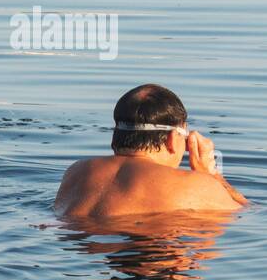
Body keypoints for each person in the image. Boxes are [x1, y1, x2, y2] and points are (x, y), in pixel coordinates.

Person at [54, 84, 247, 217]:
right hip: (149, 250)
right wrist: (212, 175)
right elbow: (245, 212)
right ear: (173, 139)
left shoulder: (76, 172)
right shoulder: (196, 185)